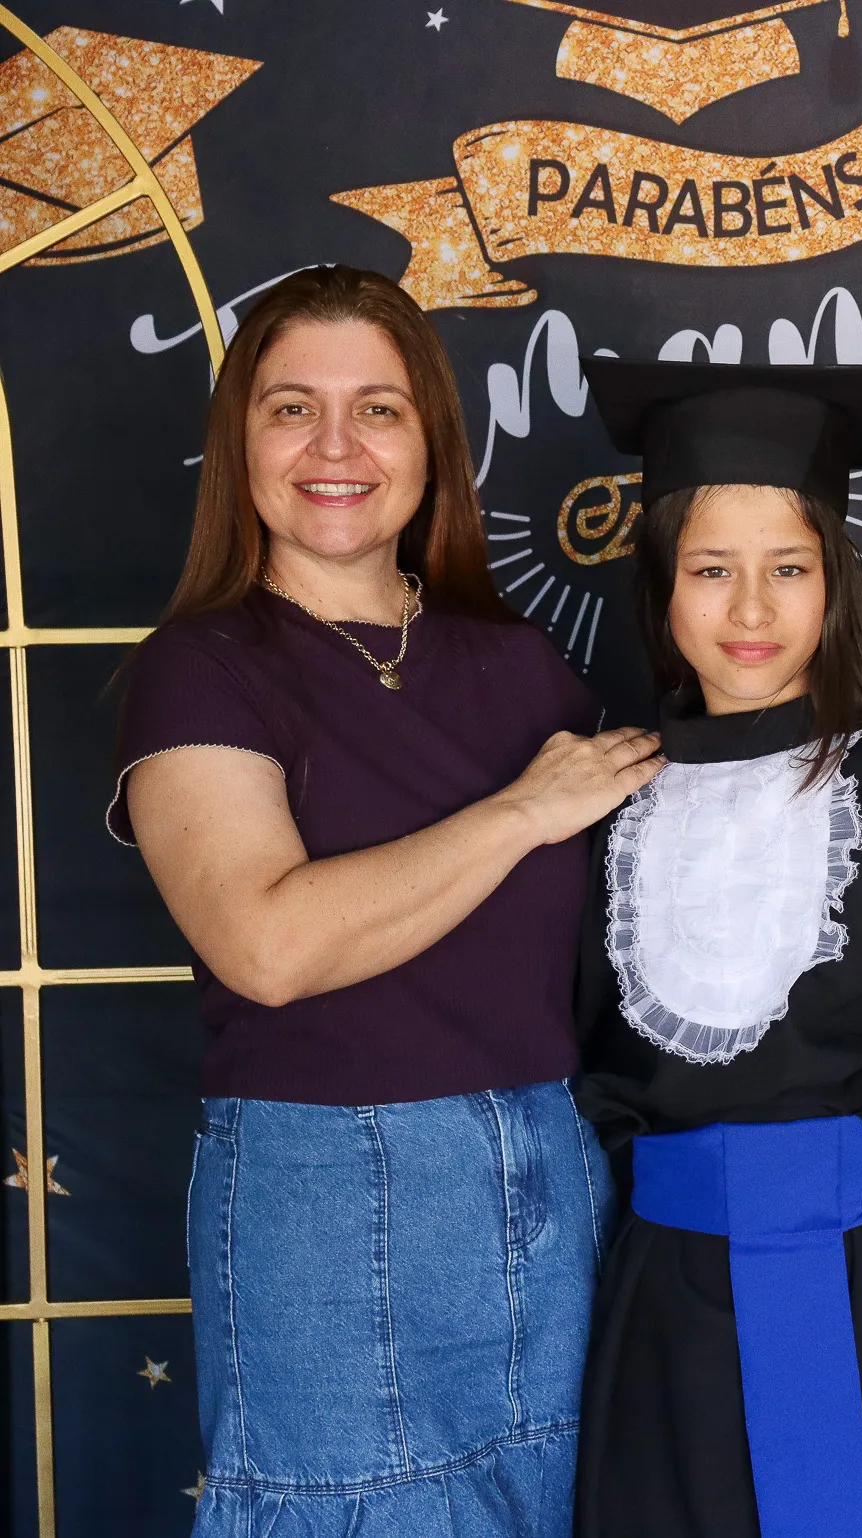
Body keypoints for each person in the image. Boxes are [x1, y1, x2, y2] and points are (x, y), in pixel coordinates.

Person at [110, 266, 662, 1534]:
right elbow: (266, 942)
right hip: (328, 1193)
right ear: (238, 444)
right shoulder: (203, 667)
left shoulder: (522, 665)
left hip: (551, 1174)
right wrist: (520, 812)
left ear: (431, 443)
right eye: (291, 408)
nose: (336, 447)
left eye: (377, 408)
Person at [570, 359, 862, 1538]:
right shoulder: (606, 803)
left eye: (787, 567)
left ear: (835, 581)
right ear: (659, 585)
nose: (749, 610)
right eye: (710, 570)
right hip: (666, 1318)